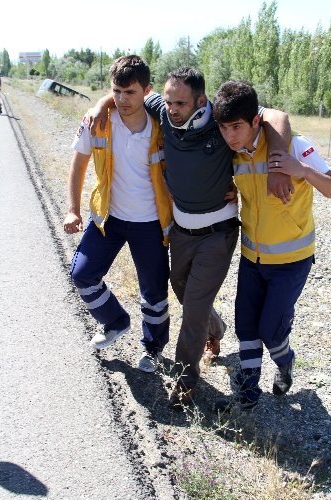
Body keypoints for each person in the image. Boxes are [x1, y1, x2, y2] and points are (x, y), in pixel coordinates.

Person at [89, 68, 292, 410]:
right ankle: (216, 326)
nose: (172, 109)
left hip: (218, 233)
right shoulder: (164, 110)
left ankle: (185, 381)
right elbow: (129, 93)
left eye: (180, 103)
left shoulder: (220, 123)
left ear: (201, 101)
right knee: (182, 290)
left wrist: (279, 167)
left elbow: (277, 116)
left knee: (193, 309)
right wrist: (101, 104)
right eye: (168, 101)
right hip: (182, 232)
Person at [212, 80, 331, 411]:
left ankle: (285, 362)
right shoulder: (234, 155)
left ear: (255, 121)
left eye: (237, 127)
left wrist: (301, 170)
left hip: (292, 260)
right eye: (224, 128)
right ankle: (248, 392)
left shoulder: (294, 146)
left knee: (271, 329)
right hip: (252, 257)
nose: (230, 136)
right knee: (246, 325)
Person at [63, 55, 173, 373]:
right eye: (117, 92)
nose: (123, 100)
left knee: (154, 292)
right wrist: (72, 209)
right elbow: (79, 164)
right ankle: (114, 321)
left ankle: (153, 348)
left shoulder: (162, 126)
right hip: (108, 218)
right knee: (82, 274)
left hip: (151, 223)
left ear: (147, 91)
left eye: (131, 92)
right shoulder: (97, 121)